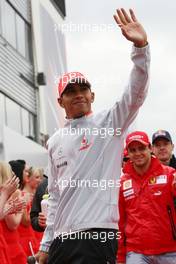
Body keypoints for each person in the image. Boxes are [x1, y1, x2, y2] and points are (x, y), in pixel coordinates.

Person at [39, 8, 150, 264]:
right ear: (60, 101)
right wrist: (46, 244)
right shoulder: (54, 141)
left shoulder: (110, 122)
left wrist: (141, 49)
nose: (78, 94)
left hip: (97, 235)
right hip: (61, 241)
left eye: (83, 89)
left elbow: (136, 93)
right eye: (71, 91)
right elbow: (54, 196)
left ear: (92, 96)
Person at [117, 131, 176, 264]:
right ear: (128, 153)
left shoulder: (170, 174)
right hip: (137, 253)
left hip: (169, 250)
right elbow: (120, 224)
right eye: (133, 150)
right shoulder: (122, 184)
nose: (137, 153)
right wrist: (120, 257)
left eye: (141, 148)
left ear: (150, 148)